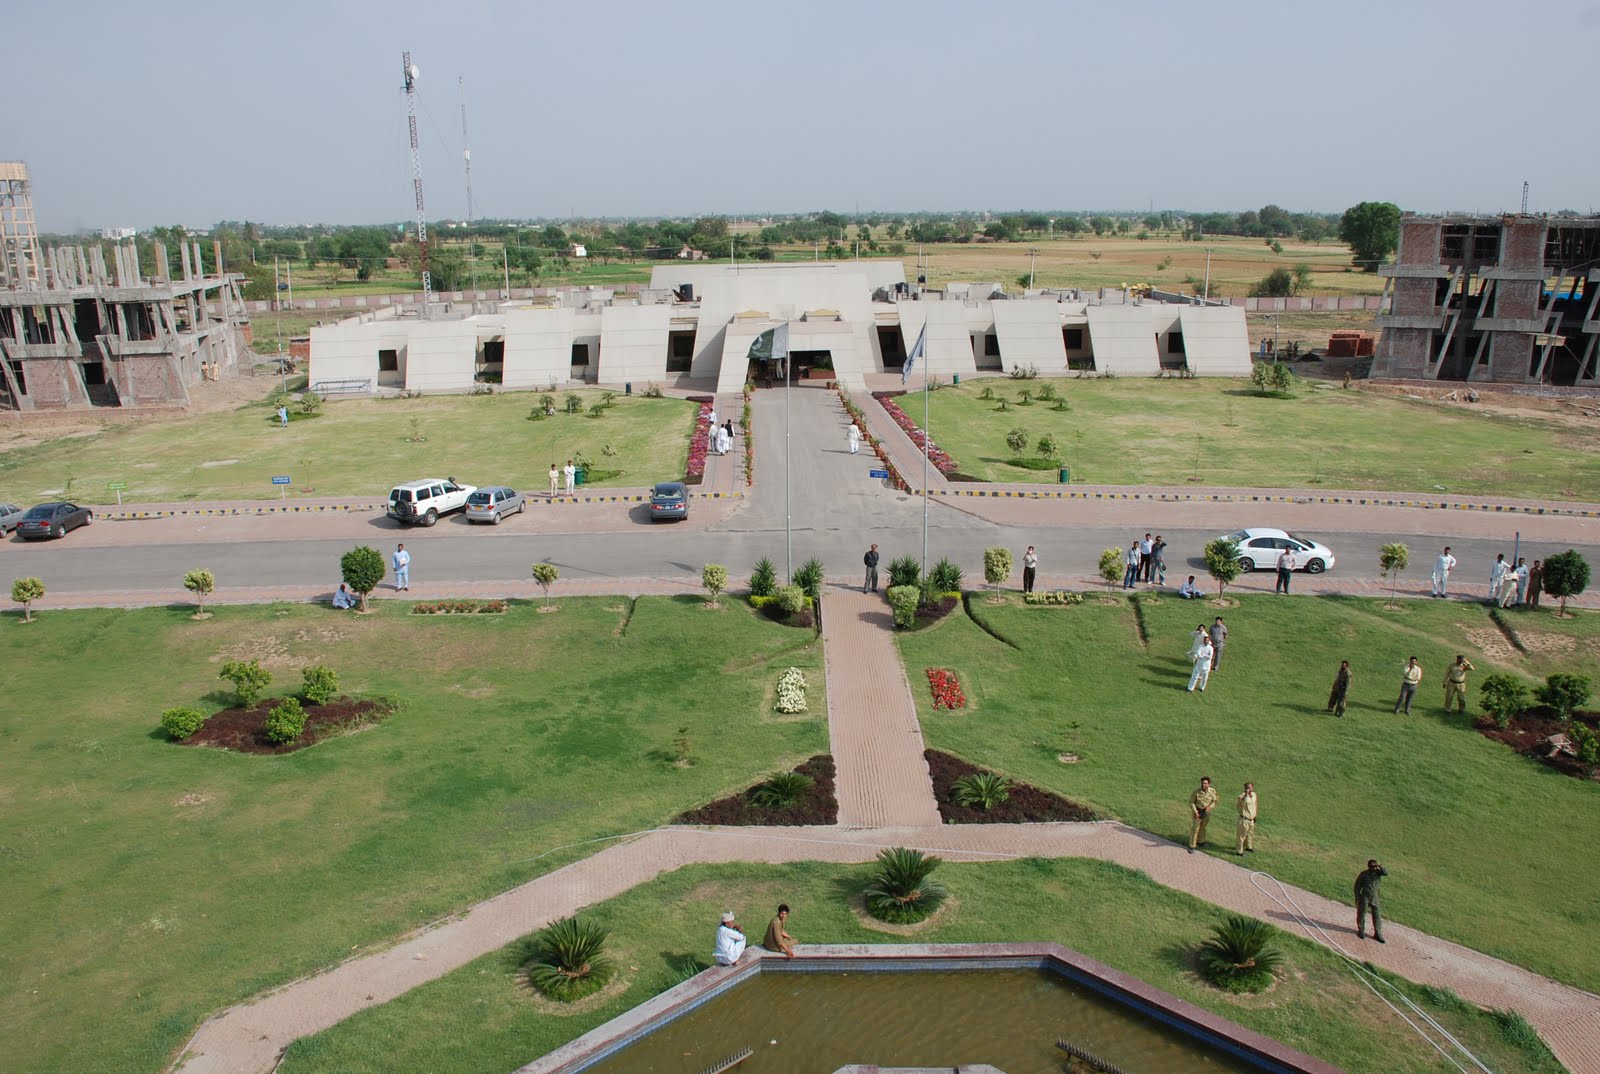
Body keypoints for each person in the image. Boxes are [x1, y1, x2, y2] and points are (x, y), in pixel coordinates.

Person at [1354, 859, 1388, 942]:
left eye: (1375, 866)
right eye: (1372, 866)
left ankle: (1378, 933)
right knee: (1361, 914)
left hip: (1375, 898)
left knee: (1377, 916)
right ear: (1369, 866)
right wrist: (1357, 897)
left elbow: (1385, 873)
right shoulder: (1364, 874)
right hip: (1365, 897)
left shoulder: (1378, 873)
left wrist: (1380, 865)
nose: (1374, 868)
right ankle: (1361, 930)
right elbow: (1357, 886)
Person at [1188, 776, 1218, 853]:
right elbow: (1191, 802)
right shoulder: (1197, 792)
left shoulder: (1212, 791)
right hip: (1198, 811)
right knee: (1195, 829)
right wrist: (1195, 811)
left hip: (1206, 812)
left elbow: (1214, 801)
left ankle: (1201, 841)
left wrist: (1210, 807)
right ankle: (1192, 846)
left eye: (1205, 783)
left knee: (1203, 827)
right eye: (1202, 783)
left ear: (1209, 784)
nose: (1203, 785)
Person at [1187, 629, 1214, 694]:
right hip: (1199, 665)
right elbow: (1199, 654)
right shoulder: (1200, 646)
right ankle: (1190, 688)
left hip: (1206, 666)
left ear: (1209, 641)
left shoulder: (1210, 648)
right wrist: (1205, 656)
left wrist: (1203, 655)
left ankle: (1202, 688)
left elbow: (1210, 657)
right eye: (1205, 640)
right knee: (1194, 677)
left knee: (1204, 678)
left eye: (1207, 640)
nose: (1206, 641)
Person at [1235, 782, 1258, 855]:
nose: (1249, 789)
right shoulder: (1243, 797)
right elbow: (1240, 802)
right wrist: (1245, 796)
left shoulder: (1254, 795)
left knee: (1250, 834)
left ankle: (1248, 846)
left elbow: (1255, 805)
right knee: (1241, 836)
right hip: (1244, 819)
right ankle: (1239, 851)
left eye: (1250, 787)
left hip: (1251, 819)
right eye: (1247, 788)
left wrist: (1255, 816)